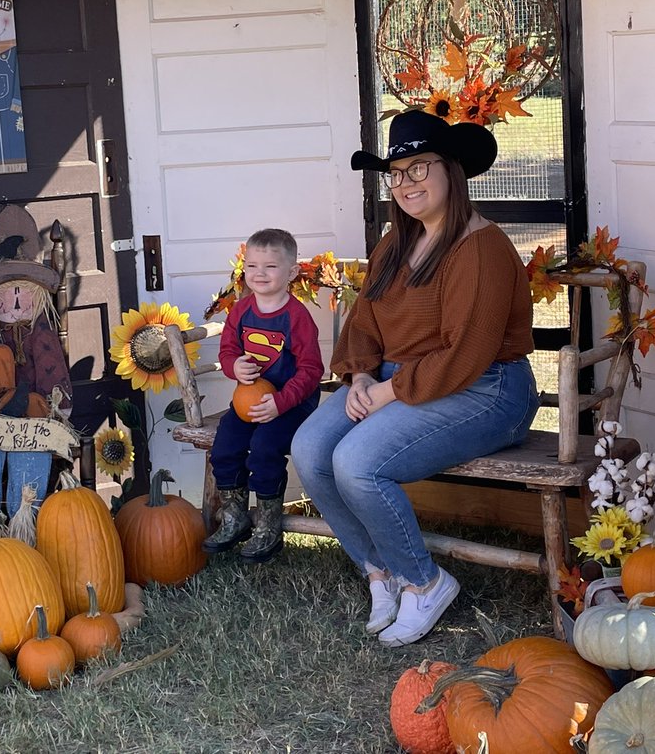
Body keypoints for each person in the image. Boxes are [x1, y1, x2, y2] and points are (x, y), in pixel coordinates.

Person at [291, 109, 539, 647]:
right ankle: (381, 571)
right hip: (395, 380)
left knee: (357, 463)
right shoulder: (396, 243)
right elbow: (363, 322)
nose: (406, 183)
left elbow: (465, 352)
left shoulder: (482, 249)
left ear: (452, 169)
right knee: (309, 448)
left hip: (486, 388)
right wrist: (360, 376)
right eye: (396, 173)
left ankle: (425, 582)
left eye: (420, 168)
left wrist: (386, 392)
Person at [203, 228, 325, 563]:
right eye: (252, 266)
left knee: (264, 448)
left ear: (292, 272)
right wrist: (234, 367)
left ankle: (268, 526)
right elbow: (228, 351)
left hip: (292, 404)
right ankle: (235, 517)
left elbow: (312, 370)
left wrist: (281, 403)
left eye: (270, 266)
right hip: (250, 401)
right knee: (225, 446)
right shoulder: (241, 311)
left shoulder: (296, 317)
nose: (259, 273)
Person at [0, 204, 74, 517]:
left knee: (32, 445)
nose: (16, 303)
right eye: (8, 293)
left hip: (33, 416)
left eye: (23, 292)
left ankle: (24, 520)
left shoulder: (41, 330)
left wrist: (58, 406)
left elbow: (52, 369)